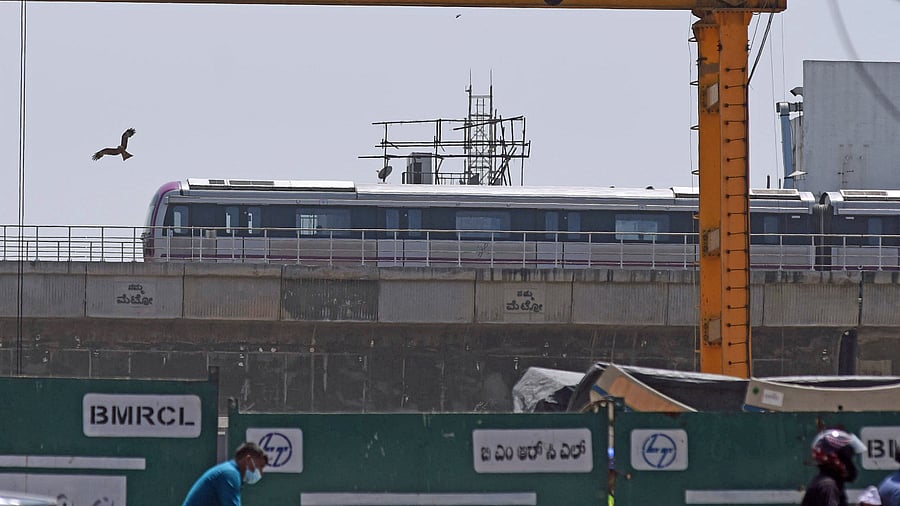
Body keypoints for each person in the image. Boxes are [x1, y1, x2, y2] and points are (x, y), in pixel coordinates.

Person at [182, 442, 269, 506]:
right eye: (260, 466)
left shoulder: (230, 472)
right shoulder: (230, 474)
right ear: (248, 460)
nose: (261, 472)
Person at [801, 429, 867, 506]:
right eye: (848, 457)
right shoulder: (828, 487)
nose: (851, 463)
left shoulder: (828, 484)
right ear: (834, 457)